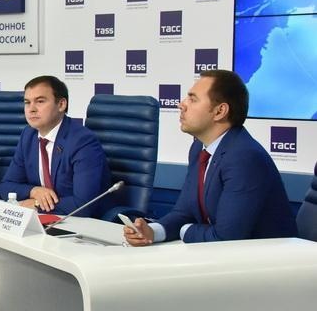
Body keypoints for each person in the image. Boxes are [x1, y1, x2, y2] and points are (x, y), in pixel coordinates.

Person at [124, 69, 297, 245]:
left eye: (193, 99)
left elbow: (225, 238)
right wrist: (152, 232)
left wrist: (185, 230)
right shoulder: (199, 148)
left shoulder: (245, 157)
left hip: (265, 258)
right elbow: (184, 212)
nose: (181, 104)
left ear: (220, 111)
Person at [0, 75, 112, 216]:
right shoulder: (28, 135)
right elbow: (6, 186)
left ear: (61, 105)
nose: (31, 109)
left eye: (40, 101)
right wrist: (34, 191)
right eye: (27, 102)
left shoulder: (82, 141)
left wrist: (37, 204)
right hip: (46, 218)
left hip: (81, 221)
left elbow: (84, 205)